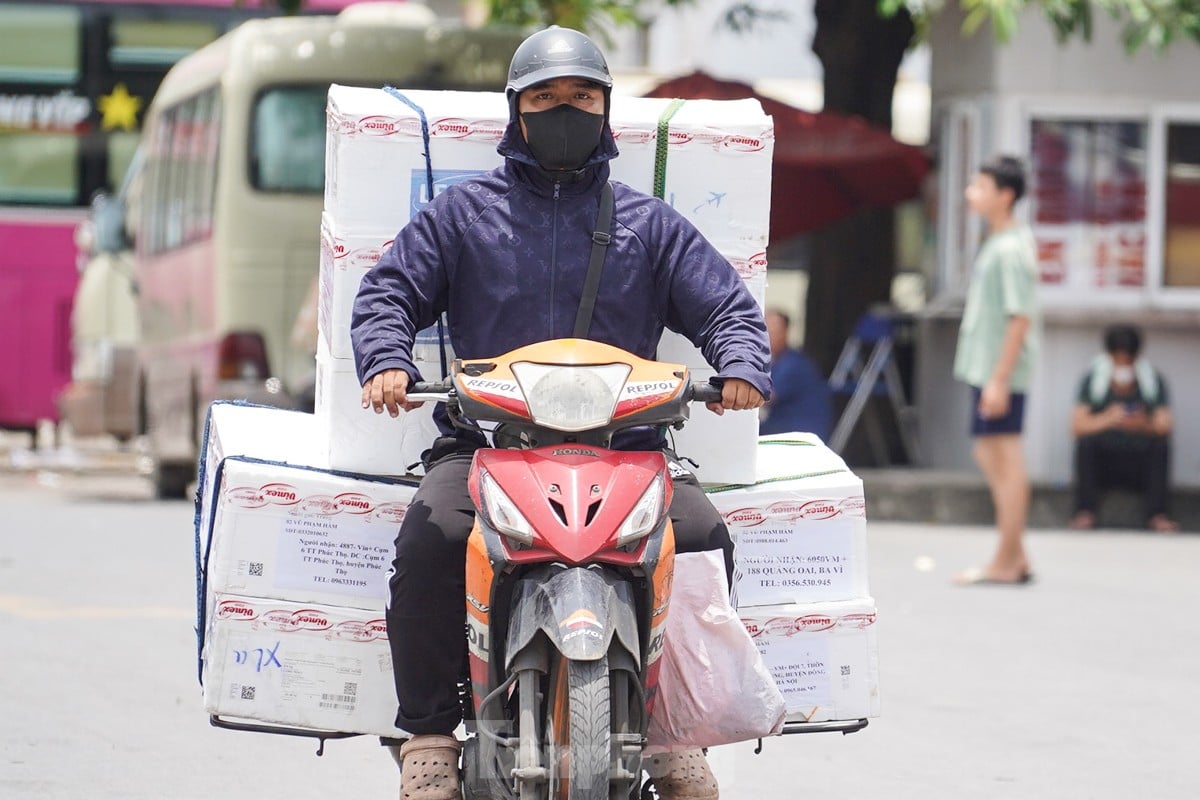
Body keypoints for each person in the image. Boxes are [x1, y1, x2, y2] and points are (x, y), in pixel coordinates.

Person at [350, 27, 771, 800]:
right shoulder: (462, 216)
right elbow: (387, 293)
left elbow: (729, 310)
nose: (563, 111)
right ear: (517, 113)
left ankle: (676, 734)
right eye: (545, 98)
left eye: (581, 97)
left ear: (606, 111)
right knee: (432, 538)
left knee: (704, 536)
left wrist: (741, 364)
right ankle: (432, 735)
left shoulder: (650, 225)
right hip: (487, 444)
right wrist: (384, 359)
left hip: (629, 448)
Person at [951, 155, 1039, 586]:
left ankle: (1006, 561)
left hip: (999, 373)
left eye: (979, 186)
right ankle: (1015, 554)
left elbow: (1019, 317)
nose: (971, 193)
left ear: (1005, 195)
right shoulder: (1003, 241)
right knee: (993, 454)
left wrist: (999, 379)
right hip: (990, 370)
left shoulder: (1010, 248)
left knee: (1002, 457)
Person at [1068, 325, 1178, 533]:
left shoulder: (1151, 381)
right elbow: (1076, 426)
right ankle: (1085, 512)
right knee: (1086, 444)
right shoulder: (1094, 381)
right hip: (1105, 462)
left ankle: (1157, 514)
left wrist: (1143, 424)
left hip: (1139, 463)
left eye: (1127, 361)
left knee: (1160, 446)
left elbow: (1166, 425)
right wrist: (1108, 419)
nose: (1122, 367)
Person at [758, 308, 832, 441]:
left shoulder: (794, 364)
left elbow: (761, 398)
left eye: (772, 331)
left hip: (800, 433)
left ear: (785, 332)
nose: (766, 336)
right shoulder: (773, 362)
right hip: (781, 427)